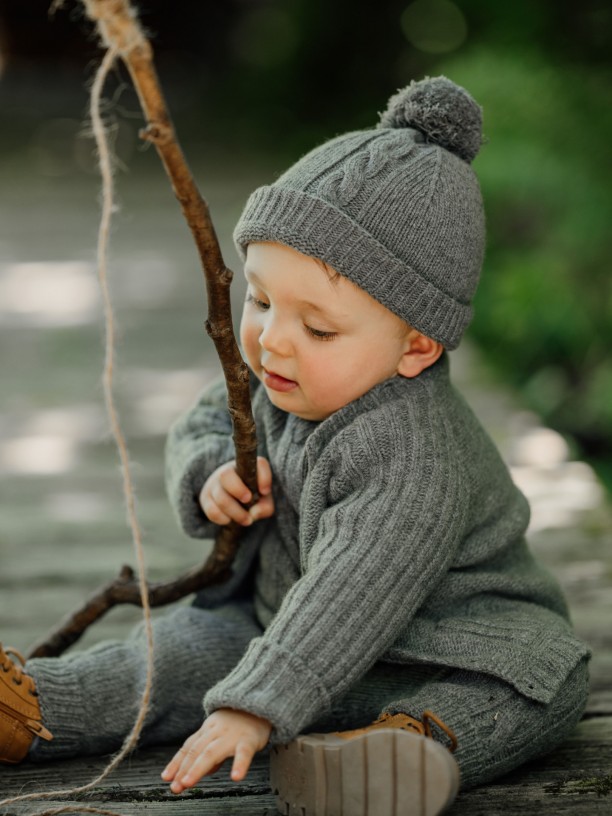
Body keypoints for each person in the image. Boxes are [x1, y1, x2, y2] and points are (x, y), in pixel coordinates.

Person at [0, 77, 590, 816]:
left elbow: (357, 585)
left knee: (544, 676)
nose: (273, 339)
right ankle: (32, 708)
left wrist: (255, 703)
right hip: (275, 624)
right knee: (172, 657)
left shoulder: (413, 455)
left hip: (439, 647)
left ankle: (411, 746)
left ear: (416, 346)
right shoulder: (279, 376)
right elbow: (208, 418)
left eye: (318, 328)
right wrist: (210, 469)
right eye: (261, 298)